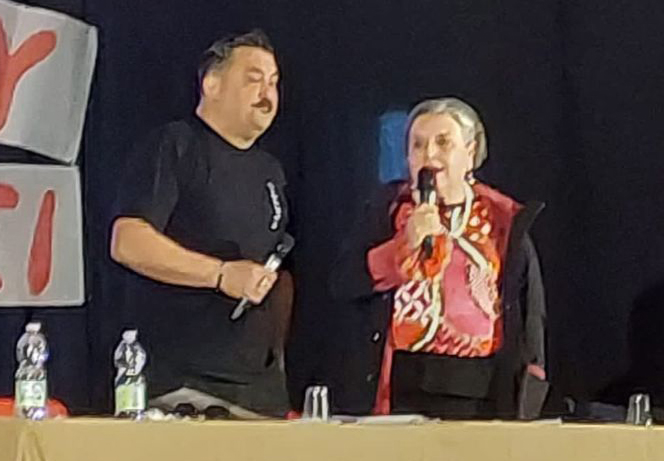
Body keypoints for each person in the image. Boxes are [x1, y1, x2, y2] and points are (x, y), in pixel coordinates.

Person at [326, 97, 546, 419]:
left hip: (477, 389)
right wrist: (402, 245)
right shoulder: (387, 210)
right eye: (417, 145)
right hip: (399, 385)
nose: (428, 155)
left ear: (470, 153)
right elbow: (343, 282)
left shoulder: (503, 219)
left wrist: (531, 384)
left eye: (443, 143)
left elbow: (530, 311)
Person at [110, 30, 291, 416]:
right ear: (212, 84)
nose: (267, 93)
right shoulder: (174, 146)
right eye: (254, 79)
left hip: (259, 388)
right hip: (183, 385)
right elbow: (128, 241)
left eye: (274, 82)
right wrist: (221, 274)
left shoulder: (270, 170)